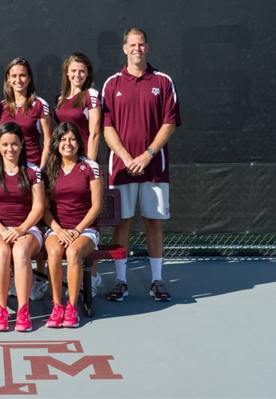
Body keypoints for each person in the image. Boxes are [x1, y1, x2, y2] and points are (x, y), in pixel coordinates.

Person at [101, 27, 181, 302]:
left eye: (141, 44)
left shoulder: (164, 81)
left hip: (154, 168)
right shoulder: (111, 84)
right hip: (121, 169)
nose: (137, 48)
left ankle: (157, 280)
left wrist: (147, 154)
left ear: (147, 47)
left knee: (153, 223)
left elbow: (169, 123)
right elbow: (106, 126)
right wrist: (125, 157)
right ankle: (120, 281)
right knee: (121, 223)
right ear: (124, 48)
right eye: (132, 44)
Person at [0, 57, 53, 302]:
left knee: (36, 223)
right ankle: (12, 277)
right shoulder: (0, 107)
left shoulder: (40, 104)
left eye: (23, 75)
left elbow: (49, 141)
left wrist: (38, 171)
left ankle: (39, 279)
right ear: (8, 79)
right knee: (11, 222)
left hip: (33, 174)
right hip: (7, 174)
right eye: (14, 76)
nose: (18, 80)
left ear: (29, 78)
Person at [0, 122, 45, 332]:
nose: (10, 149)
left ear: (22, 144)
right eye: (5, 144)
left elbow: (38, 207)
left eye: (15, 144)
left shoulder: (33, 170)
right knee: (1, 253)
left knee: (20, 251)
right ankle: (1, 310)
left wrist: (21, 229)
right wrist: (3, 230)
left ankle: (23, 310)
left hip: (28, 228)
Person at [43, 122, 103, 328]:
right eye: (62, 139)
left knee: (73, 253)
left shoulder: (90, 167)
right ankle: (57, 306)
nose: (67, 143)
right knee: (53, 253)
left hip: (85, 230)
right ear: (56, 143)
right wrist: (59, 230)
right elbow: (43, 208)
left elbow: (96, 206)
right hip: (57, 229)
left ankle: (72, 307)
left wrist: (77, 230)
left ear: (79, 143)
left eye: (72, 139)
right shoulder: (47, 169)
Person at [54, 51, 103, 296]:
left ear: (88, 74)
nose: (77, 75)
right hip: (64, 164)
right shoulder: (60, 98)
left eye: (82, 71)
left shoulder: (91, 95)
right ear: (67, 73)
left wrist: (89, 165)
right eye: (73, 71)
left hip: (83, 164)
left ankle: (92, 277)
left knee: (87, 213)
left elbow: (94, 133)